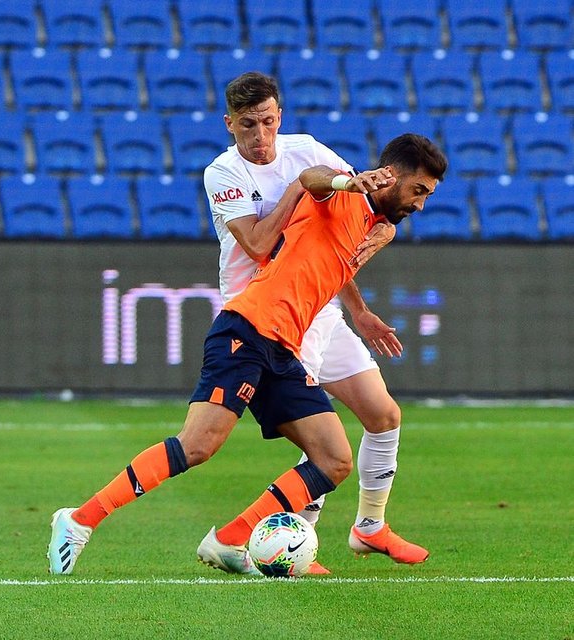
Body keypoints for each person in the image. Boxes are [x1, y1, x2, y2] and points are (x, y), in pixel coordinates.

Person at [47, 133, 446, 576]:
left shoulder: (372, 225)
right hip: (247, 331)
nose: (420, 204)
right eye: (418, 191)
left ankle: (231, 540)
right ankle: (79, 520)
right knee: (198, 445)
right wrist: (346, 182)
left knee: (334, 460)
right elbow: (310, 178)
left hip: (283, 349)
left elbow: (336, 256)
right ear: (389, 176)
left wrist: (368, 285)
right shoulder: (342, 195)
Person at [199, 72, 436, 572]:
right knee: (321, 439)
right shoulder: (223, 172)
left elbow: (347, 227)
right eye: (249, 125)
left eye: (268, 122)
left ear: (280, 116)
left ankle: (369, 526)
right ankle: (293, 543)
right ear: (230, 124)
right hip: (267, 313)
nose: (261, 135)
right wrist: (306, 188)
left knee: (383, 415)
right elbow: (259, 246)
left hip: (319, 308)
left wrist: (360, 307)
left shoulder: (306, 149)